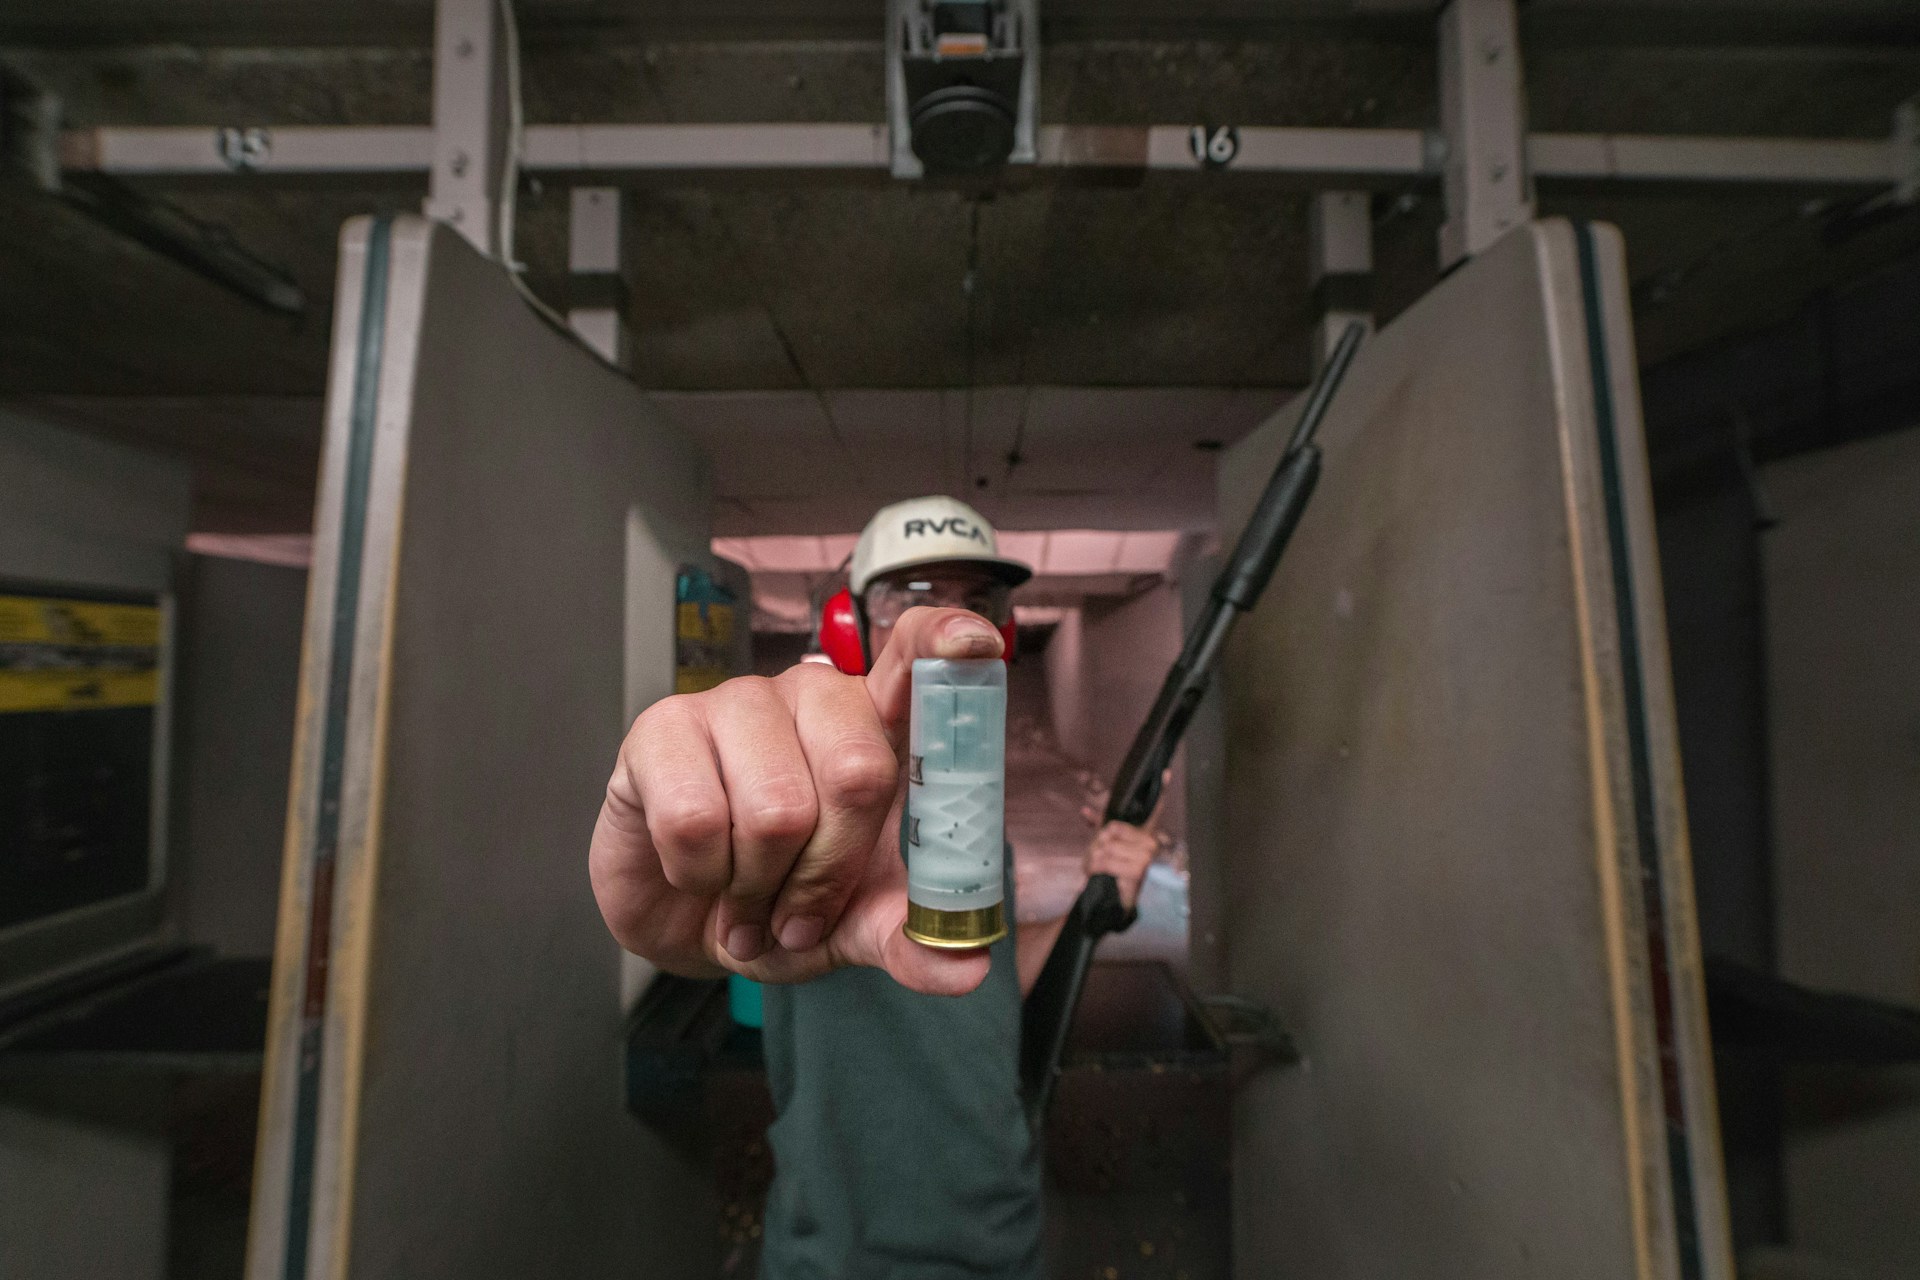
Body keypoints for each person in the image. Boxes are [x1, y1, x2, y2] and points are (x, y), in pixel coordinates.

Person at [589, 495, 1160, 1279]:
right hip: (838, 1258)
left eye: (979, 600)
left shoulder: (967, 817)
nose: (953, 623)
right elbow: (721, 932)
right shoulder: (808, 805)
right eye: (913, 598)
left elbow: (983, 978)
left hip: (1004, 1240)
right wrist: (705, 868)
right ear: (850, 627)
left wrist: (1090, 901)